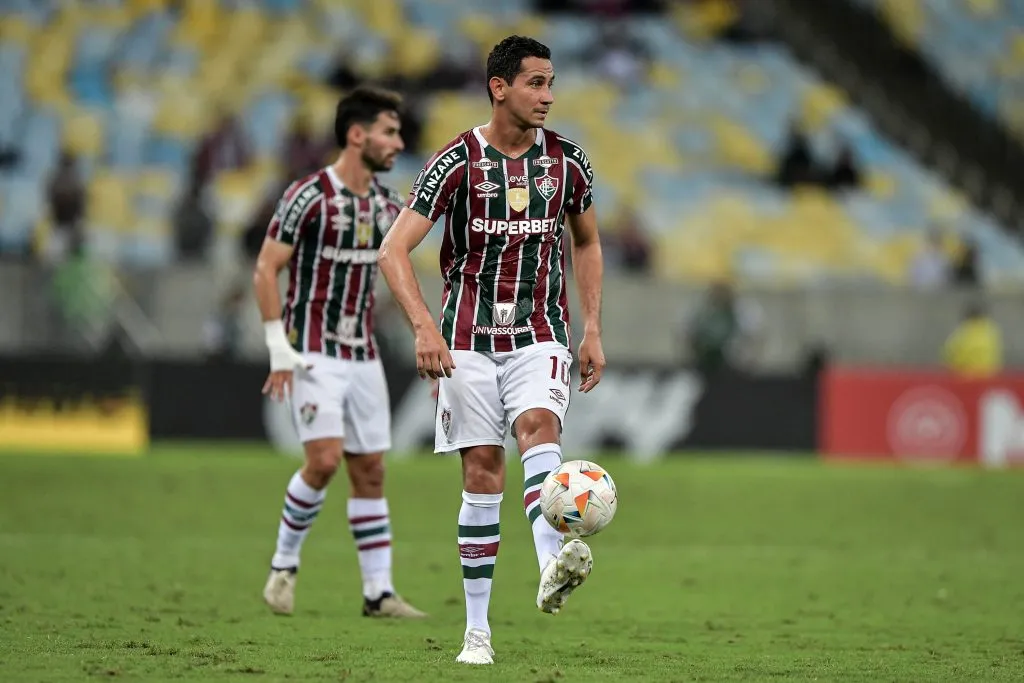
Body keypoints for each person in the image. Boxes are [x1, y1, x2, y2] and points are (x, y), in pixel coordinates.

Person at [378, 36, 607, 665]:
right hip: (466, 343)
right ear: (499, 87)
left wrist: (591, 329)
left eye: (552, 82)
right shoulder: (456, 162)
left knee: (538, 430)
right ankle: (477, 629)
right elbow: (394, 250)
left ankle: (547, 565)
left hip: (540, 334)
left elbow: (586, 243)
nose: (549, 96)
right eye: (535, 82)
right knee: (483, 475)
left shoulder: (568, 163)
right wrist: (424, 328)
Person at [252, 86, 425, 620]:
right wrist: (278, 347)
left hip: (363, 355)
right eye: (389, 132)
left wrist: (426, 331)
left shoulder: (389, 206)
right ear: (357, 135)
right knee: (324, 460)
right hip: (312, 353)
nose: (398, 142)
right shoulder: (307, 196)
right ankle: (283, 566)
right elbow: (266, 269)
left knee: (370, 470)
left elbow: (399, 276)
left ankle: (379, 592)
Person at [943, 302, 1002, 378]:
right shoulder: (992, 331)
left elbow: (949, 355)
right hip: (989, 376)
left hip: (966, 377)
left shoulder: (962, 332)